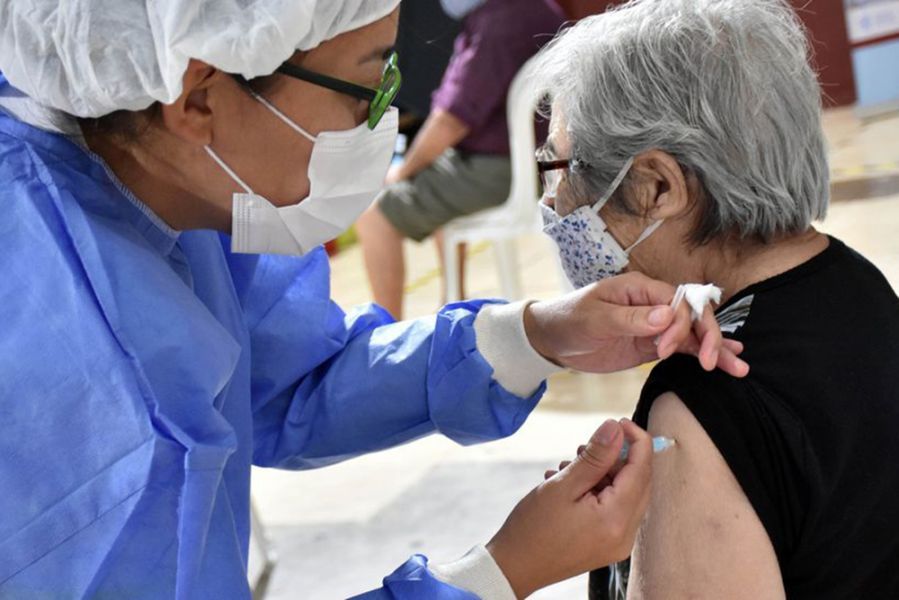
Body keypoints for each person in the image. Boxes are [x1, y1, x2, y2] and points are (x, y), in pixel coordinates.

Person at [0, 1, 748, 598]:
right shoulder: (79, 380)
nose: (380, 125)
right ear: (198, 97)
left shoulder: (157, 179)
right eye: (367, 86)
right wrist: (495, 574)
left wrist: (535, 336)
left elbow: (285, 380)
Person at [528, 0, 899, 598]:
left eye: (559, 169)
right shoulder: (854, 282)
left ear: (656, 186)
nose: (554, 204)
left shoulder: (699, 402)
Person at [356, 0, 567, 319]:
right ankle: (451, 301)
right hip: (543, 158)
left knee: (374, 216)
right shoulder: (540, 8)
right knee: (439, 182)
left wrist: (403, 171)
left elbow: (452, 120)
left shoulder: (496, 20)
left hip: (501, 168)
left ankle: (386, 326)